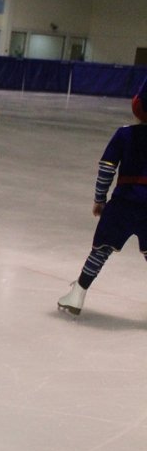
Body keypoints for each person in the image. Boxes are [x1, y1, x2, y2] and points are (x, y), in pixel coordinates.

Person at [58, 78, 147, 316]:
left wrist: (100, 199)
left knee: (101, 249)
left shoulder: (124, 134)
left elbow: (107, 168)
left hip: (123, 203)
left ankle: (77, 294)